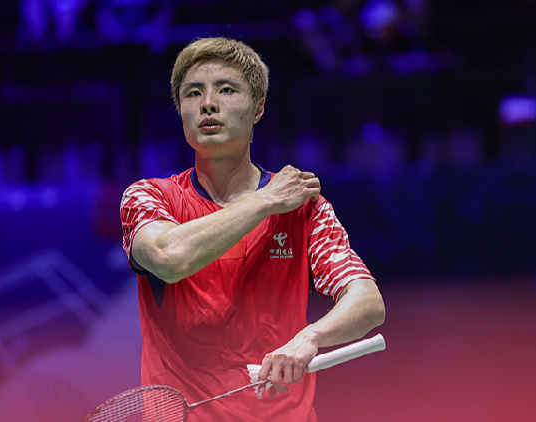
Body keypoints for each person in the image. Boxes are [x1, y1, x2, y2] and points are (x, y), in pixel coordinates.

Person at [119, 37, 385, 421]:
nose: (208, 103)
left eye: (226, 90)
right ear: (181, 112)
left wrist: (309, 338)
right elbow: (168, 256)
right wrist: (265, 201)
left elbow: (367, 301)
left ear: (258, 107)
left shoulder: (303, 208)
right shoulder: (148, 197)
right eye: (193, 93)